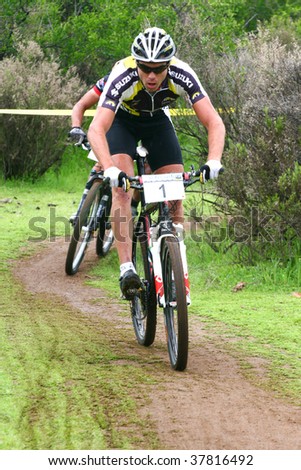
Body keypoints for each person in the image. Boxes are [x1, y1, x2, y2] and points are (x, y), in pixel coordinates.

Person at [87, 26, 226, 299]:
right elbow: (96, 129)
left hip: (157, 122)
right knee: (122, 190)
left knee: (176, 191)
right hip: (122, 123)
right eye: (145, 68)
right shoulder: (123, 75)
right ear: (136, 63)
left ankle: (173, 251)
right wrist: (110, 167)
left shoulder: (182, 73)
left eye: (159, 69)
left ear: (169, 64)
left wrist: (214, 160)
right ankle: (126, 269)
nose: (152, 76)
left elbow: (214, 121)